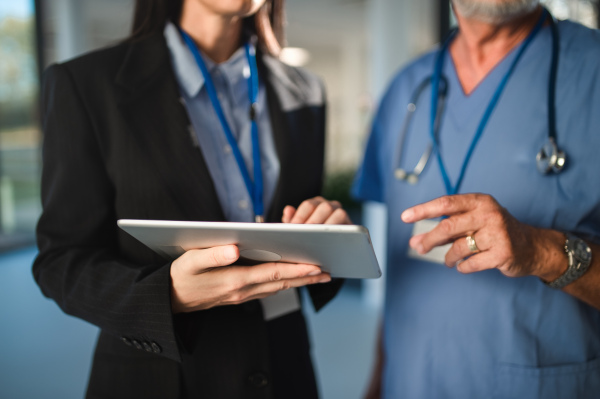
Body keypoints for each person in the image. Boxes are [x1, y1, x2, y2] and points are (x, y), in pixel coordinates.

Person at [32, 0, 348, 398]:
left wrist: (329, 233)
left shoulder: (306, 92)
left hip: (283, 365)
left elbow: (304, 231)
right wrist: (166, 296)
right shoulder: (87, 84)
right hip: (161, 377)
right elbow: (61, 261)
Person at [354, 0, 600, 397]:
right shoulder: (404, 89)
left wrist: (542, 252)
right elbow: (401, 274)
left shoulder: (591, 71)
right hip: (410, 382)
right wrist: (378, 383)